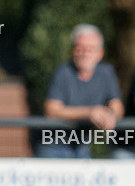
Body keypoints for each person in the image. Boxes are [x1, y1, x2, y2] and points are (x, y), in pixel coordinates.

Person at [40, 24, 123, 158]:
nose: (84, 53)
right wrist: (90, 112)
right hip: (54, 146)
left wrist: (109, 115)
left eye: (90, 49)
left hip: (82, 147)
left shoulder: (106, 73)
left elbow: (117, 105)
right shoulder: (63, 72)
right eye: (80, 48)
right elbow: (51, 110)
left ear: (100, 53)